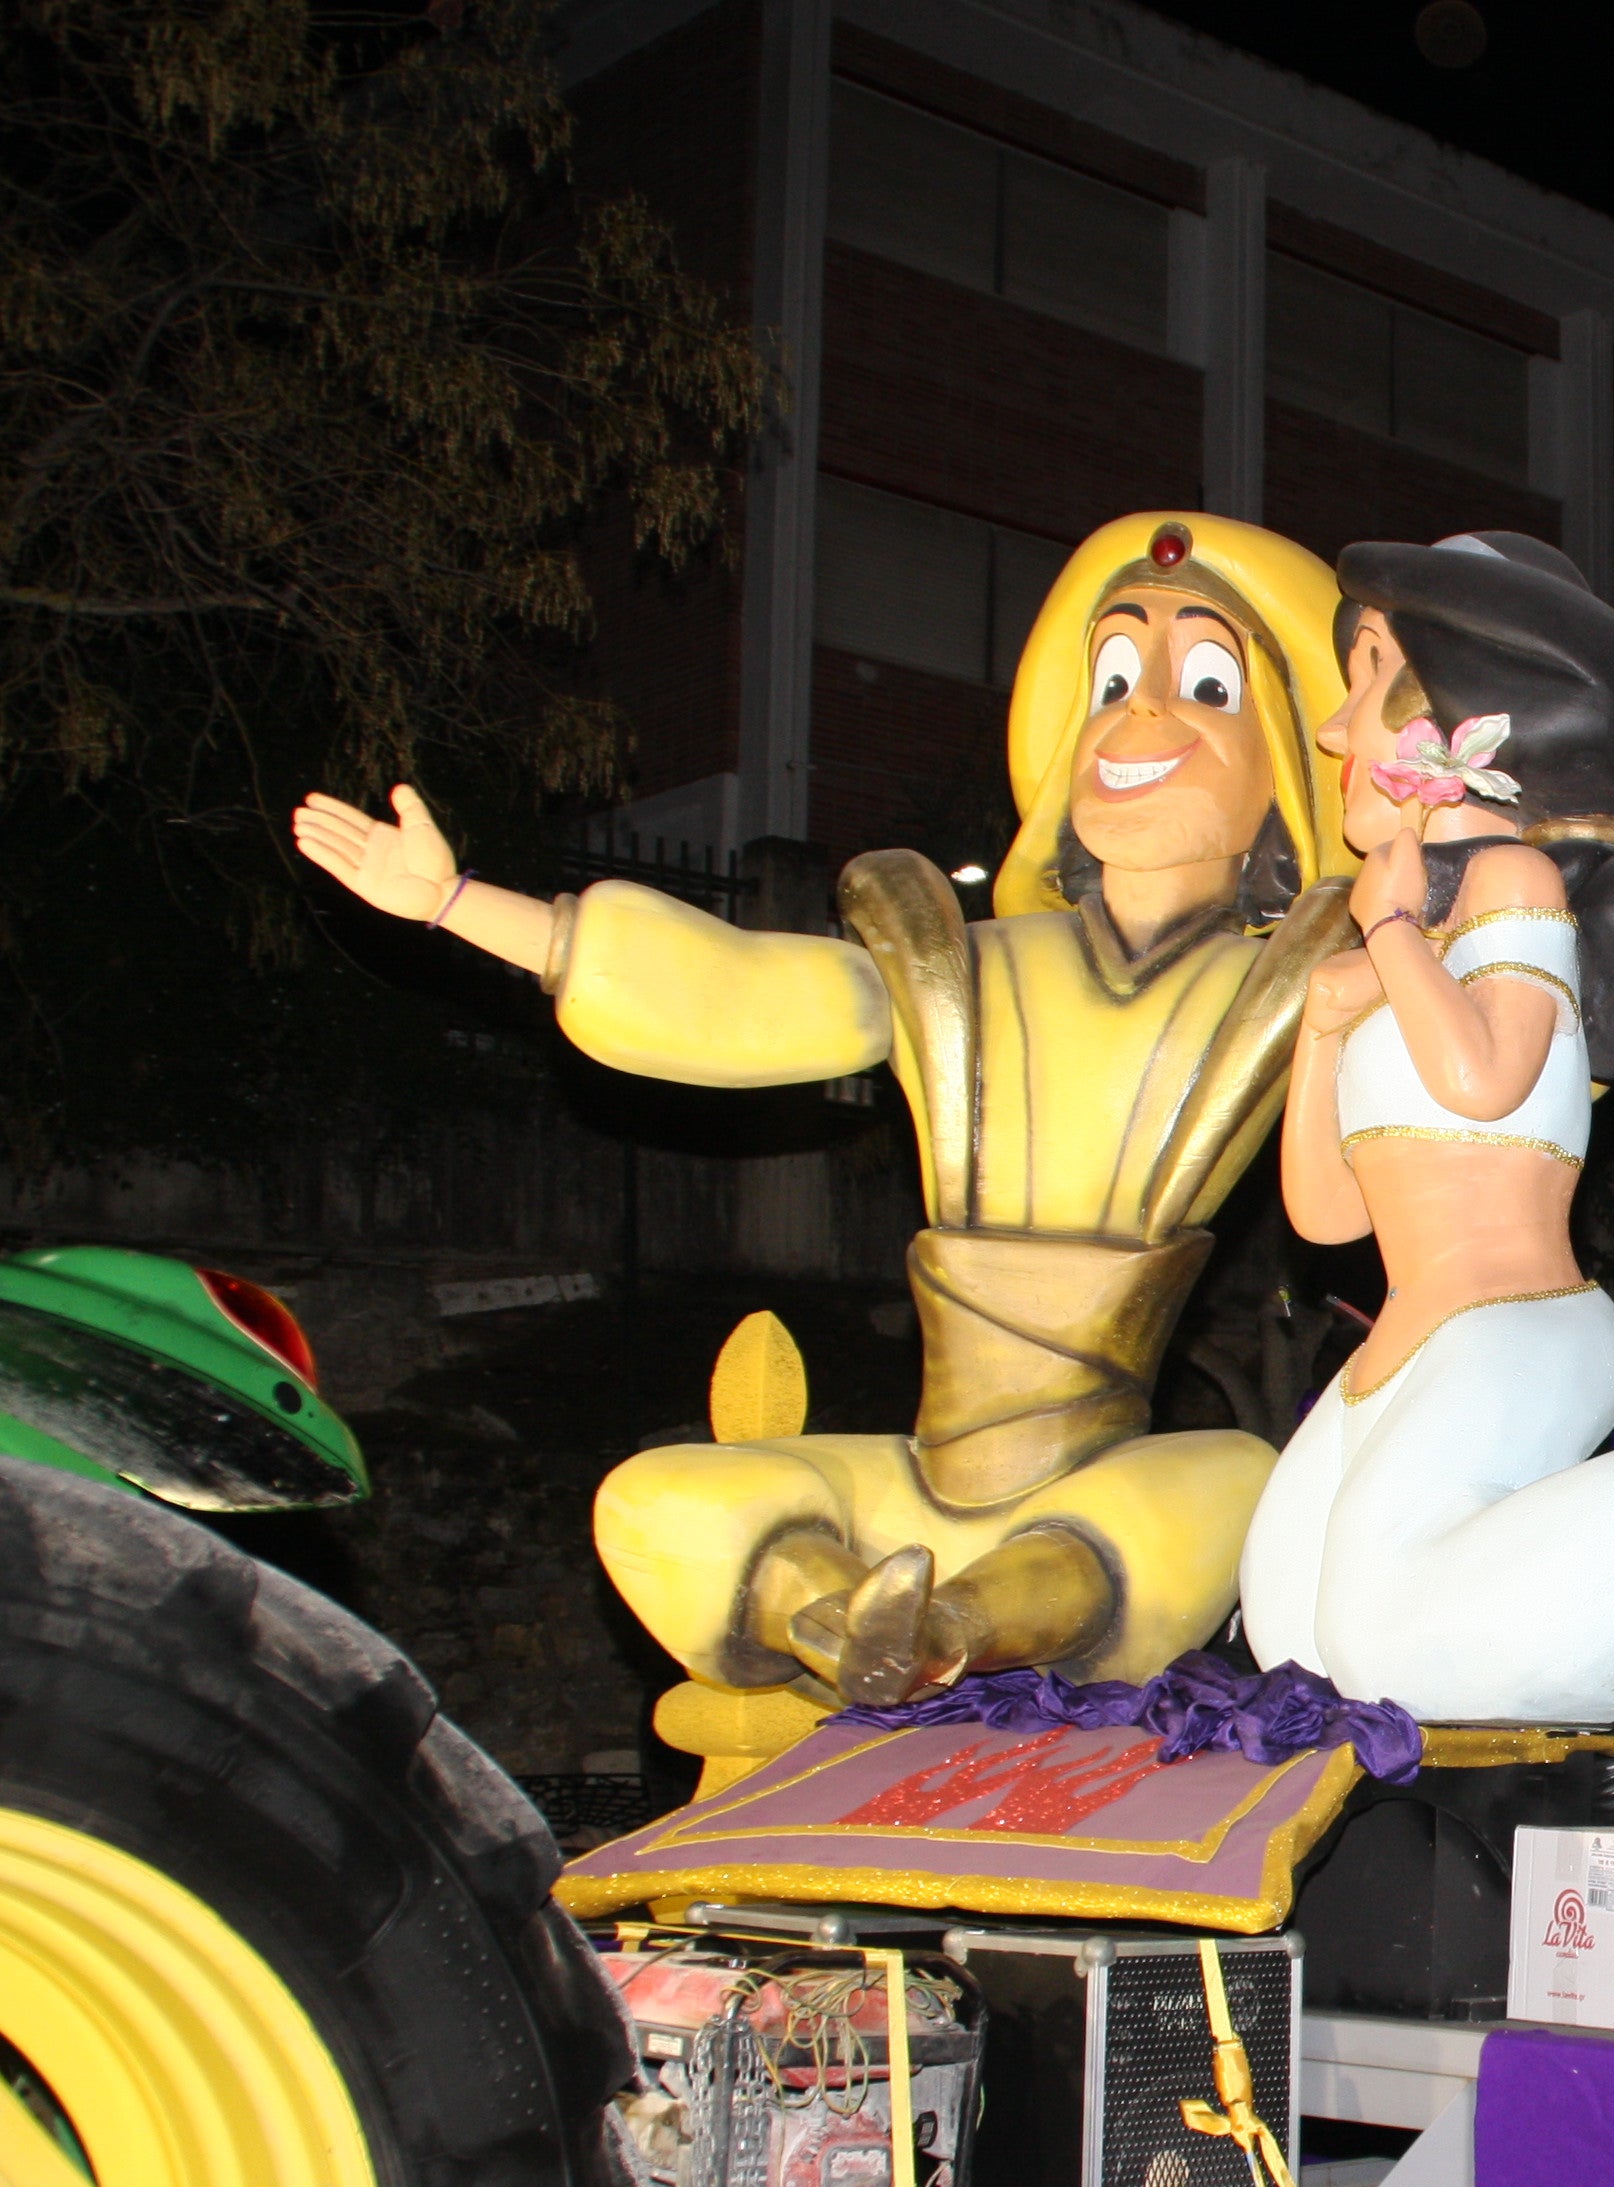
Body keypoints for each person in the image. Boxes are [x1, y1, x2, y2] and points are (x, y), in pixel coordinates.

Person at [292, 512, 1362, 1705]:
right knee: (658, 1497)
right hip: (911, 1489)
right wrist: (454, 905)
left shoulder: (1302, 988)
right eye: (1114, 673)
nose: (1140, 714)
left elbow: (1471, 1099)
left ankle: (950, 1629)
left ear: (1285, 761)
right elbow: (727, 995)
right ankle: (841, 1620)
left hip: (1095, 1499)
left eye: (1204, 683)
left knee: (1232, 1484)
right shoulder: (961, 970)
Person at [1238, 529, 1614, 1724]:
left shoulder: (1517, 891)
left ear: (1471, 717)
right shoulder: (1393, 951)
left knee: (1380, 1640)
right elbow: (1327, 1210)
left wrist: (1391, 939)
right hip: (1403, 1345)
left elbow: (1488, 1081)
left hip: (1521, 1327)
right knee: (1290, 1633)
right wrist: (1326, 1020)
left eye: (1369, 678)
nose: (1338, 731)